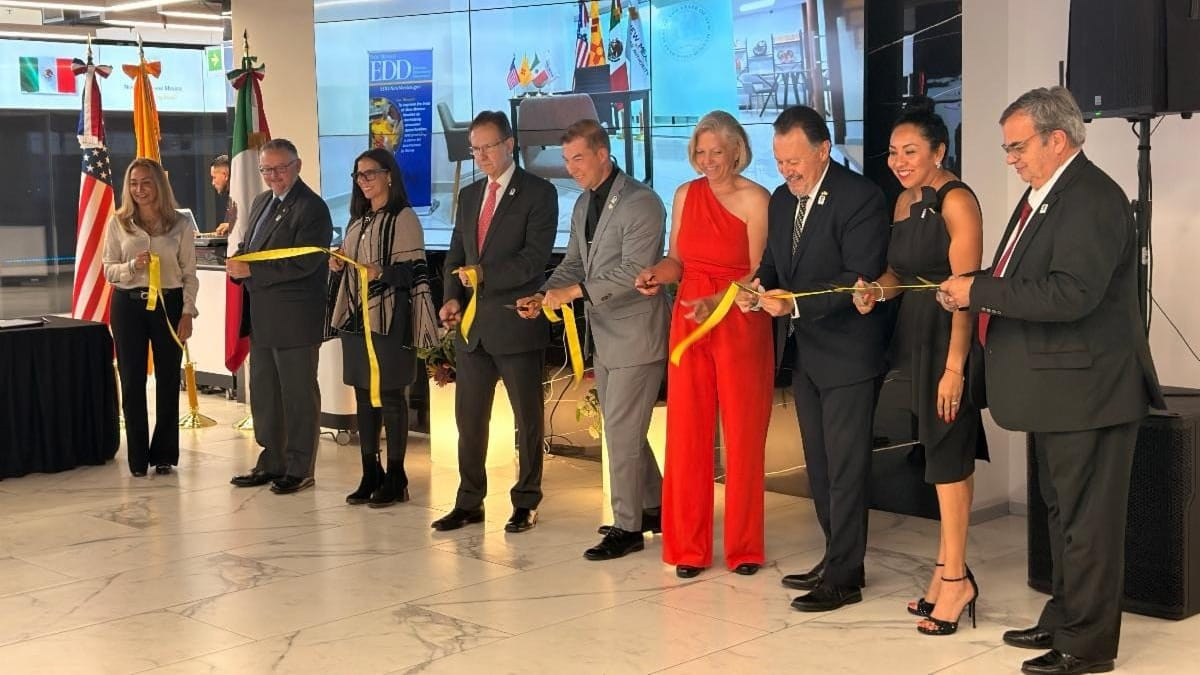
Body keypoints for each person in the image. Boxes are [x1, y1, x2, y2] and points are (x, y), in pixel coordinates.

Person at [939, 86, 1163, 675]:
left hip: (1090, 392)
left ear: (1055, 139)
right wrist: (970, 284)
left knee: (1088, 524)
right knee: (1062, 515)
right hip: (1057, 393)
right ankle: (1065, 614)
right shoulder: (1046, 193)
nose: (1009, 158)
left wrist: (978, 290)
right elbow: (1021, 273)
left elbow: (1072, 292)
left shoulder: (1091, 197)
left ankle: (1086, 646)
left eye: (1017, 146)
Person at [736, 105, 890, 611]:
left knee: (846, 468)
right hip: (804, 354)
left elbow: (858, 277)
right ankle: (835, 556)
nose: (786, 172)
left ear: (823, 151)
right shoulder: (781, 200)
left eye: (795, 161)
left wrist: (794, 302)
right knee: (820, 468)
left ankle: (845, 575)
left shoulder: (860, 197)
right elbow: (774, 265)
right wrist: (755, 289)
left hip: (848, 354)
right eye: (779, 162)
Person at [852, 96, 988, 635]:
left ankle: (956, 580)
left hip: (948, 339)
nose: (899, 160)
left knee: (950, 456)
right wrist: (875, 293)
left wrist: (955, 367)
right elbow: (897, 274)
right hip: (913, 336)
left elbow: (966, 291)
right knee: (935, 453)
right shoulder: (905, 201)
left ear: (939, 149)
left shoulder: (958, 200)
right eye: (892, 152)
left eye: (911, 151)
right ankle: (945, 571)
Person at [516, 118, 669, 560]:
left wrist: (575, 292)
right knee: (626, 432)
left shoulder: (643, 202)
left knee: (621, 432)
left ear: (603, 153)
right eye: (566, 161)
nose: (572, 168)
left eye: (578, 158)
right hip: (606, 335)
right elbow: (574, 263)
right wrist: (546, 294)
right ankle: (654, 508)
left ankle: (627, 528)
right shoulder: (584, 204)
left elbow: (633, 271)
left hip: (638, 335)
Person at [634, 110, 773, 578]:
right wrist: (657, 274)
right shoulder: (684, 194)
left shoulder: (757, 198)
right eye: (701, 152)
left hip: (739, 320)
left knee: (743, 437)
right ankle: (688, 548)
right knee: (687, 435)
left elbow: (759, 273)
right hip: (690, 323)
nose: (709, 160)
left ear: (737, 150)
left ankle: (745, 548)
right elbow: (678, 260)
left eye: (718, 151)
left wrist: (721, 299)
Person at [432, 110, 557, 533]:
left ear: (509, 145)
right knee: (469, 420)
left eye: (488, 147)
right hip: (473, 330)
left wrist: (484, 276)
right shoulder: (469, 196)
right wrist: (451, 297)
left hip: (516, 324)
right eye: (475, 149)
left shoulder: (539, 192)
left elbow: (534, 259)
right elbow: (455, 255)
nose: (481, 156)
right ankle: (470, 501)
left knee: (528, 418)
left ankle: (526, 500)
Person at [329, 148, 439, 507]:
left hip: (391, 320)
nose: (363, 182)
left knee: (391, 396)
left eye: (370, 174)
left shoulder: (403, 218)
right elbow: (352, 265)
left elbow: (416, 272)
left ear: (389, 175)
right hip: (358, 320)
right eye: (358, 176)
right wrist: (338, 264)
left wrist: (381, 273)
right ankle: (369, 472)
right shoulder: (357, 222)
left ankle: (397, 476)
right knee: (364, 395)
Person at [228, 138, 334, 495]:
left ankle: (300, 467)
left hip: (295, 318)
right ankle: (271, 460)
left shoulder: (312, 208)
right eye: (266, 169)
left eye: (280, 168)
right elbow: (250, 248)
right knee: (266, 394)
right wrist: (237, 263)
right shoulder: (260, 202)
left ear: (298, 166)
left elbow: (306, 262)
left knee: (298, 395)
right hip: (261, 317)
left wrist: (251, 273)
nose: (274, 176)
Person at [102, 158, 198, 477]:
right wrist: (132, 267)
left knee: (169, 379)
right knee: (132, 379)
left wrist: (187, 312)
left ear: (159, 185)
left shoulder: (180, 224)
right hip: (128, 306)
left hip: (168, 306)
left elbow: (189, 275)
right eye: (133, 183)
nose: (139, 189)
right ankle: (137, 457)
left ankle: (164, 454)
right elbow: (108, 269)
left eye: (145, 182)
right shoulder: (119, 223)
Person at [210, 155, 235, 236]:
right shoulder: (231, 198)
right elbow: (224, 234)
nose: (212, 183)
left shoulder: (242, 197)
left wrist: (231, 226)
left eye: (214, 177)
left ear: (225, 175)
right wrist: (200, 235)